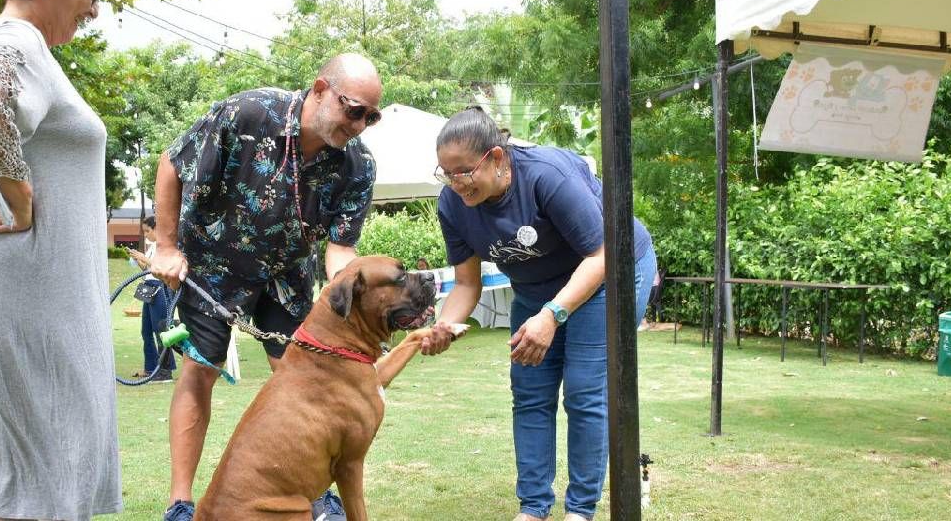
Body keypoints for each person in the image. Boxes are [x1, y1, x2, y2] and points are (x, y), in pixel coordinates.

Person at [148, 53, 382, 521]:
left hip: (288, 275)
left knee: (301, 379)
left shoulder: (358, 167)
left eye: (370, 117)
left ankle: (315, 493)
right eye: (353, 109)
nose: (359, 124)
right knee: (200, 371)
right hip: (213, 266)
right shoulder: (250, 113)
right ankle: (180, 504)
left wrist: (341, 290)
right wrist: (167, 246)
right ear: (320, 89)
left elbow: (340, 248)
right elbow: (172, 164)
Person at [0, 0, 126, 519]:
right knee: (41, 483)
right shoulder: (13, 40)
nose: (94, 10)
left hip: (43, 294)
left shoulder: (29, 50)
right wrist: (20, 206)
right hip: (26, 290)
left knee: (48, 479)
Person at [422, 107, 657, 521]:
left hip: (609, 271)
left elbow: (601, 254)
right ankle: (533, 508)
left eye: (463, 171)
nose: (456, 184)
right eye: (446, 173)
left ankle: (580, 510)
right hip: (536, 289)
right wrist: (446, 324)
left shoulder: (547, 175)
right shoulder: (453, 205)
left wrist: (552, 315)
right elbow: (466, 284)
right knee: (530, 392)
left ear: (496, 158)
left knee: (585, 392)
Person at [128, 215, 176, 382]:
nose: (146, 235)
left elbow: (159, 267)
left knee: (161, 330)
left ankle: (166, 370)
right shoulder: (152, 247)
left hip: (160, 289)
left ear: (157, 229)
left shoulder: (165, 246)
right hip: (149, 288)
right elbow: (147, 268)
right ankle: (150, 368)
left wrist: (143, 257)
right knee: (146, 331)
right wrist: (139, 259)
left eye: (148, 231)